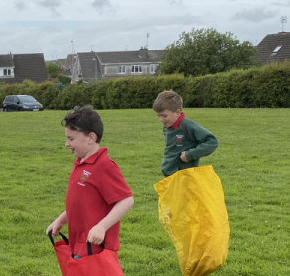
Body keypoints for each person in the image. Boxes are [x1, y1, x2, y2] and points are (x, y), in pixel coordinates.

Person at [46, 105, 134, 259]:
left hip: (94, 248)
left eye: (71, 139)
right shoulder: (81, 163)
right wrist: (61, 220)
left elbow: (126, 200)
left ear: (91, 138)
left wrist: (102, 227)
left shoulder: (104, 165)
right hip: (79, 244)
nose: (67, 143)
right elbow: (81, 202)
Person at [152, 91, 218, 177]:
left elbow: (212, 142)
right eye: (158, 116)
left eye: (164, 116)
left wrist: (190, 155)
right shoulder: (166, 126)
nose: (161, 119)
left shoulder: (188, 126)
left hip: (185, 176)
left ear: (177, 112)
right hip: (170, 176)